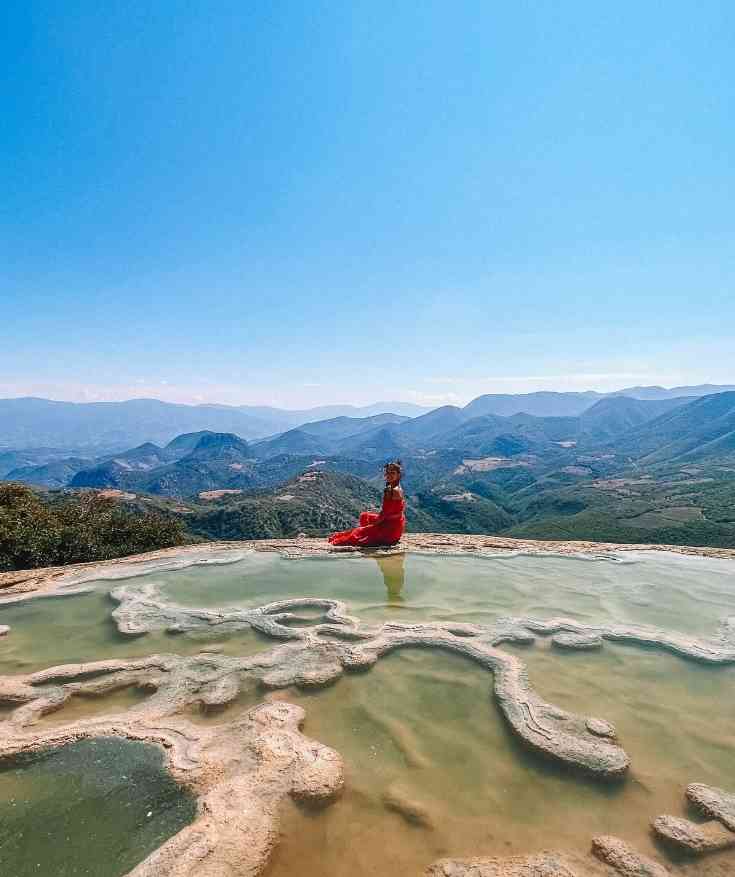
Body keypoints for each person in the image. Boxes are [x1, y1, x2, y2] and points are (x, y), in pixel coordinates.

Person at [328, 461, 406, 547]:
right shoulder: (393, 487)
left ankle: (371, 535)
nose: (389, 475)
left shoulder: (394, 490)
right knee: (364, 516)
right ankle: (370, 533)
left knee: (356, 535)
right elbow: (393, 509)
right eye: (387, 472)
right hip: (395, 524)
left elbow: (385, 514)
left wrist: (369, 527)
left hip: (390, 530)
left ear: (398, 475)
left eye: (392, 473)